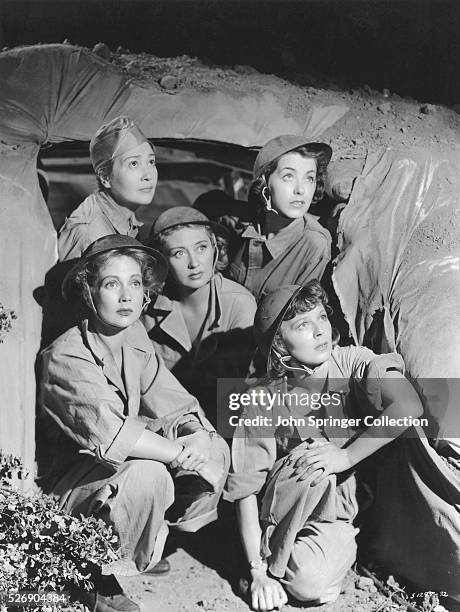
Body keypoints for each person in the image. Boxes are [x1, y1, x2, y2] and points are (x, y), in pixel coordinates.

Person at [41, 235, 229, 612]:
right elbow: (111, 435)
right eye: (112, 284)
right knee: (150, 475)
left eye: (135, 283)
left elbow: (175, 402)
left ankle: (131, 548)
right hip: (63, 495)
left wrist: (197, 437)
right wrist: (179, 454)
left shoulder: (133, 338)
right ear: (88, 292)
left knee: (213, 444)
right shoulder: (65, 355)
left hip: (106, 479)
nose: (126, 296)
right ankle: (87, 573)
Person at [225, 282, 424, 611]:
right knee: (311, 460)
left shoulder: (351, 362)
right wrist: (257, 572)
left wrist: (346, 456)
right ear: (277, 344)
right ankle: (271, 553)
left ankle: (336, 551)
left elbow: (408, 405)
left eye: (321, 317)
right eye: (303, 324)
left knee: (310, 586)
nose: (319, 331)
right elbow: (246, 487)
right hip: (291, 505)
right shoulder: (262, 396)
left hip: (343, 513)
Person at [143, 206, 257, 421]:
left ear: (216, 248)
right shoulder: (149, 313)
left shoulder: (238, 304)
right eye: (179, 253)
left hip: (231, 422)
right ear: (162, 261)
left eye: (201, 248)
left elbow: (245, 391)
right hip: (173, 423)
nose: (194, 263)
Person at [227, 135, 333, 300]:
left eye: (309, 178)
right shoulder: (245, 224)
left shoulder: (314, 244)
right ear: (264, 184)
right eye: (288, 176)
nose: (301, 190)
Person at [57, 116, 157, 261]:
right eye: (134, 163)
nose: (148, 175)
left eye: (151, 161)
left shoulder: (126, 217)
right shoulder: (88, 234)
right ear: (105, 177)